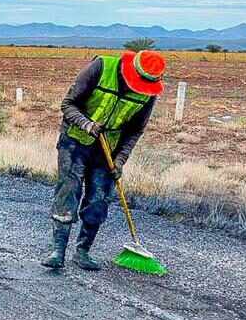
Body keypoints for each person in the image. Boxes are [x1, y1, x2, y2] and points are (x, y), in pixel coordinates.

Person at [43, 50, 166, 270]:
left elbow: (135, 131)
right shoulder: (101, 67)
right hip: (74, 141)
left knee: (99, 200)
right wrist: (87, 124)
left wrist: (120, 160)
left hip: (108, 149)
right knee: (68, 191)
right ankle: (57, 251)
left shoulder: (148, 93)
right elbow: (68, 105)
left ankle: (82, 252)